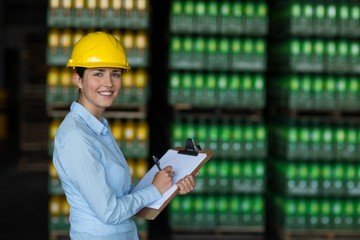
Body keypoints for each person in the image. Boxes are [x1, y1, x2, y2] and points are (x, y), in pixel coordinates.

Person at [52, 31, 196, 240]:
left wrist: (171, 184)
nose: (109, 83)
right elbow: (110, 212)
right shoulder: (77, 137)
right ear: (78, 79)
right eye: (98, 73)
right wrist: (155, 189)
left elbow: (124, 197)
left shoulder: (98, 128)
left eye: (116, 74)